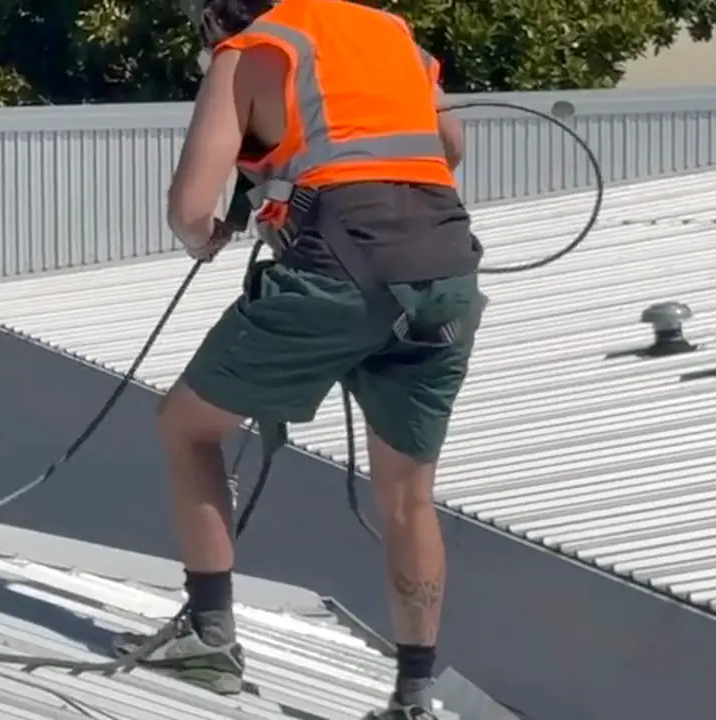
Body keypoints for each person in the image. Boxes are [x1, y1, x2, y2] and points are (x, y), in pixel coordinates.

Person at [112, 0, 485, 717]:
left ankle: (209, 637)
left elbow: (190, 207)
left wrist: (213, 232)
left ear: (218, 17)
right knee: (409, 496)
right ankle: (413, 696)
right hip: (445, 274)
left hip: (338, 270)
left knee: (187, 427)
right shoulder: (391, 33)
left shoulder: (252, 49)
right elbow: (451, 143)